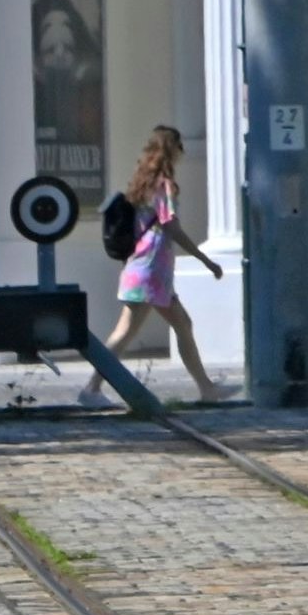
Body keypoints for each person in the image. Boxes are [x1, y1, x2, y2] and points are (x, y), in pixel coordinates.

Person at [85, 124, 226, 406]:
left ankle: (207, 389)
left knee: (181, 324)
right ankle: (91, 388)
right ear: (172, 150)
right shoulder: (164, 186)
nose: (183, 153)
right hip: (150, 271)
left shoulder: (143, 184)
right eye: (180, 147)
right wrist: (205, 260)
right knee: (126, 332)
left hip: (145, 270)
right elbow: (171, 227)